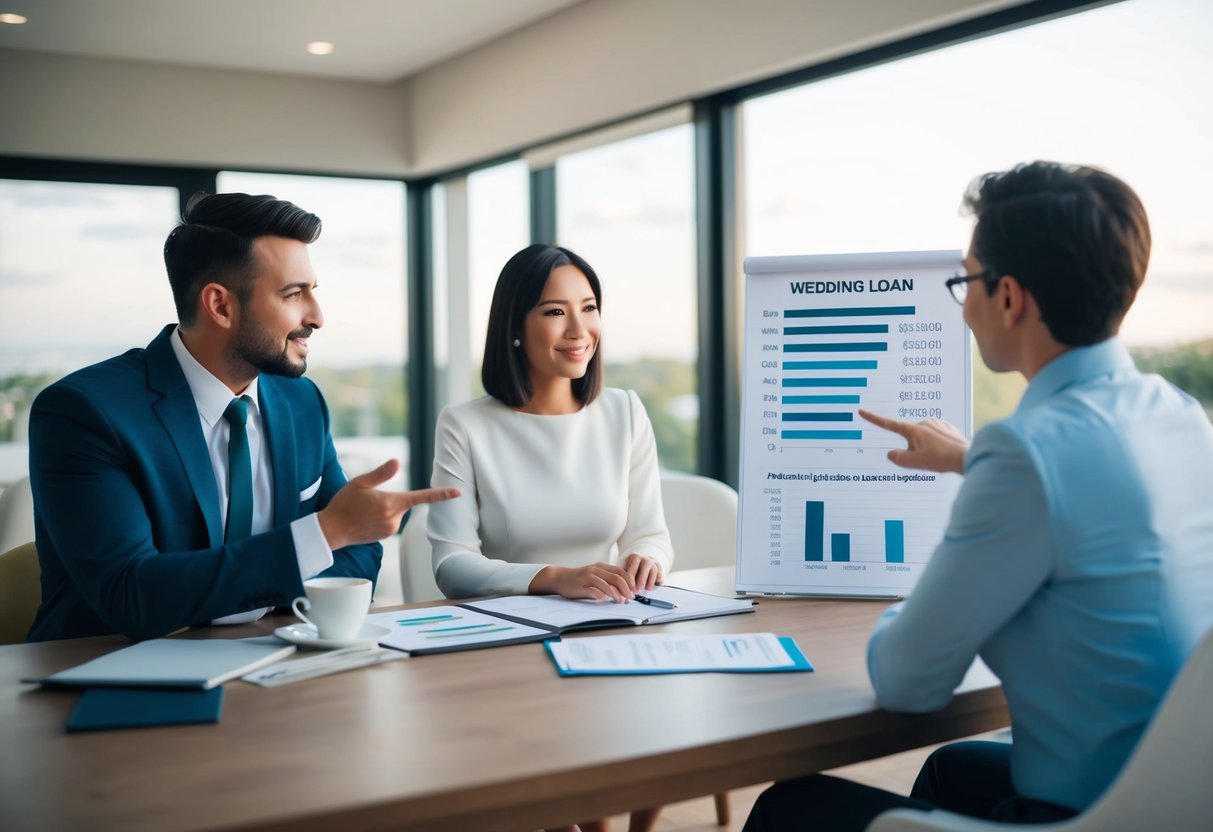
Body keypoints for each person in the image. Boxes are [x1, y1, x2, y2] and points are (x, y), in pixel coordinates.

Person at [744, 161, 1213, 831]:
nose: (961, 304)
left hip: (1089, 817)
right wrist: (970, 459)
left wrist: (903, 610)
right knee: (952, 769)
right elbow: (1091, 497)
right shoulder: (1176, 414)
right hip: (1180, 795)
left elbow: (908, 681)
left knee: (789, 807)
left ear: (1009, 297)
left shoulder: (1025, 454)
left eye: (965, 280)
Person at [27, 192, 458, 642]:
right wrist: (325, 532)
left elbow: (358, 548)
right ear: (221, 306)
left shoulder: (302, 401)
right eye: (294, 294)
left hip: (276, 664)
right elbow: (131, 594)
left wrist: (328, 547)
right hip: (105, 679)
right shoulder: (85, 412)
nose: (317, 316)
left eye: (314, 291)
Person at [427, 243, 674, 832]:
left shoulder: (625, 412)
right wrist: (553, 579)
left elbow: (653, 533)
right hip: (512, 642)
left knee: (670, 719)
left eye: (588, 308)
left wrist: (646, 560)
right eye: (554, 312)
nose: (579, 329)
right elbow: (451, 565)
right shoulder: (466, 425)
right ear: (515, 327)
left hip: (611, 627)